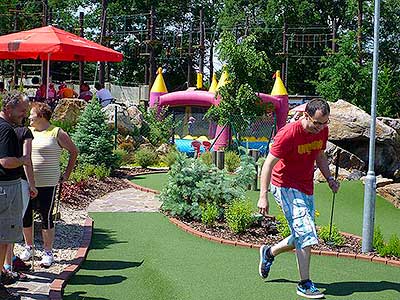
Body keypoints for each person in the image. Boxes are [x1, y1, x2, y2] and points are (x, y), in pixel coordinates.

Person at [257, 99, 340, 299]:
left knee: (301, 235)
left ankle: (269, 252)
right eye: (317, 123)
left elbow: (319, 155)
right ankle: (304, 283)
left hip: (305, 186)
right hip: (283, 185)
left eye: (325, 123)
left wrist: (329, 179)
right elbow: (267, 165)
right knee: (305, 231)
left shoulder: (322, 131)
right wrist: (263, 196)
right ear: (305, 116)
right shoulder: (288, 134)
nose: (320, 128)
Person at [20, 103, 78, 268]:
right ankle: (29, 248)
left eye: (31, 114)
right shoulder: (28, 132)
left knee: (46, 216)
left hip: (48, 182)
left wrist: (66, 174)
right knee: (26, 216)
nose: (29, 117)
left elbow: (74, 151)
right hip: (27, 181)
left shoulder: (56, 132)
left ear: (40, 116)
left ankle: (47, 252)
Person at [0, 92, 31, 300]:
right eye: (22, 112)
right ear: (9, 109)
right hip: (6, 188)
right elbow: (5, 161)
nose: (24, 116)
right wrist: (24, 159)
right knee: (4, 236)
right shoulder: (6, 130)